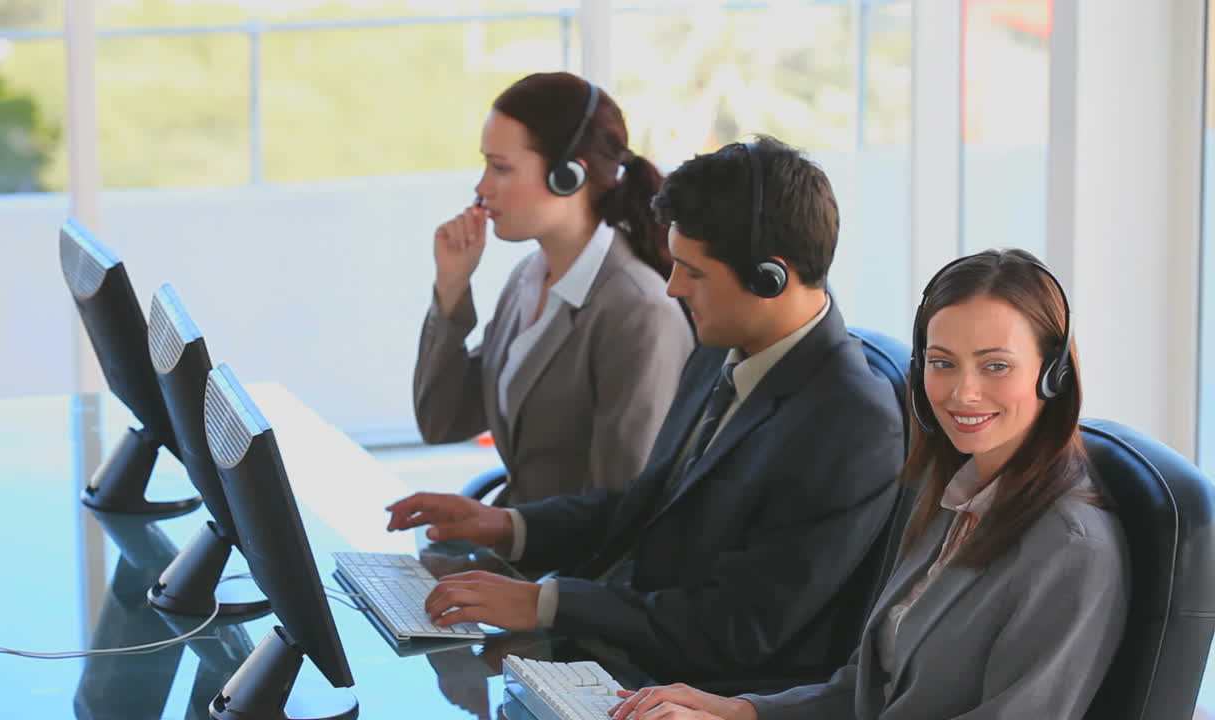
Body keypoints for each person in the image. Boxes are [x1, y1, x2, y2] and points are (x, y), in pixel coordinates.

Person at [388, 137, 905, 689]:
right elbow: (654, 508)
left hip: (693, 688)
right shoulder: (721, 347)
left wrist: (547, 604)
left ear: (768, 278)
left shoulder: (851, 424)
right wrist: (508, 525)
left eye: (693, 272)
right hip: (625, 646)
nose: (674, 286)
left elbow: (736, 629)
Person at [608, 248, 1129, 719]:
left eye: (996, 366)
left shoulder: (1071, 550)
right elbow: (864, 692)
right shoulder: (956, 498)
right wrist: (738, 712)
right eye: (942, 364)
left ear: (1052, 375)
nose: (964, 392)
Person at [414, 71, 694, 506]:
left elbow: (619, 512)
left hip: (559, 569)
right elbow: (441, 422)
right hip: (510, 557)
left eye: (501, 168)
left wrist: (500, 537)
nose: (481, 187)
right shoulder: (529, 279)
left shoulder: (637, 312)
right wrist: (452, 288)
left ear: (568, 176)